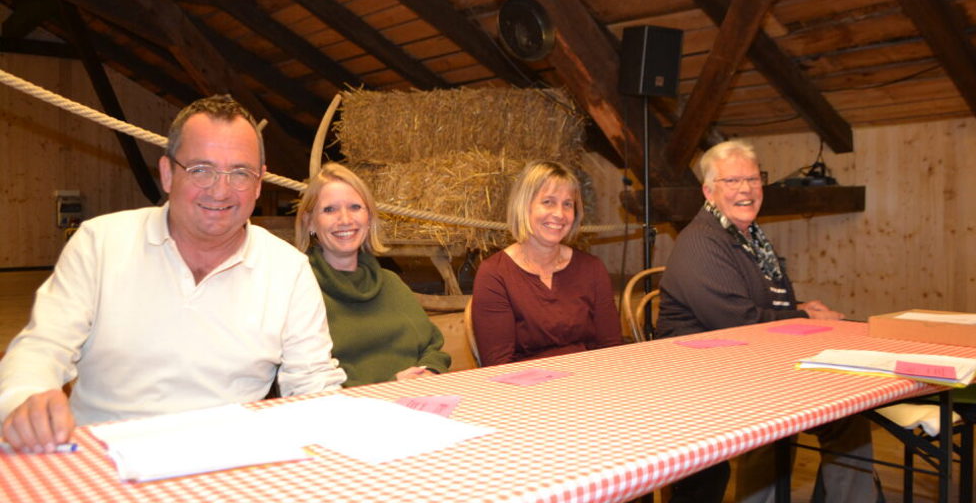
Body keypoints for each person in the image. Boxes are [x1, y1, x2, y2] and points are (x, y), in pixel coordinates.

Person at [0, 95, 345, 453]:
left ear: (258, 183)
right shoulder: (99, 243)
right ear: (167, 173)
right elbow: (42, 347)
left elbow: (313, 381)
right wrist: (26, 396)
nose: (221, 189)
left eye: (240, 173)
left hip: (231, 461)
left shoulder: (287, 268)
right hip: (105, 459)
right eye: (200, 170)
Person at [657, 139, 881, 503]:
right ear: (708, 191)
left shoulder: (751, 239)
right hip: (699, 375)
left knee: (847, 413)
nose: (745, 189)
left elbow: (771, 304)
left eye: (753, 179)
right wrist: (804, 315)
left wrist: (802, 308)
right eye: (732, 181)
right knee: (774, 417)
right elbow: (739, 321)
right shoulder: (701, 242)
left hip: (752, 361)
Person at [294, 162, 450, 386]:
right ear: (310, 222)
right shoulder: (300, 290)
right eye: (330, 209)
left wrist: (429, 372)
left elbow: (432, 347)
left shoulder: (391, 283)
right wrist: (389, 385)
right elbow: (307, 379)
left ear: (369, 218)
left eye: (355, 207)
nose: (345, 219)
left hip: (419, 401)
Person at [471, 160, 621, 366]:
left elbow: (611, 348)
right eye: (548, 202)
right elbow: (498, 365)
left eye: (567, 204)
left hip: (590, 383)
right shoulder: (495, 274)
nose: (559, 214)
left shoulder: (592, 268)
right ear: (525, 206)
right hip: (527, 390)